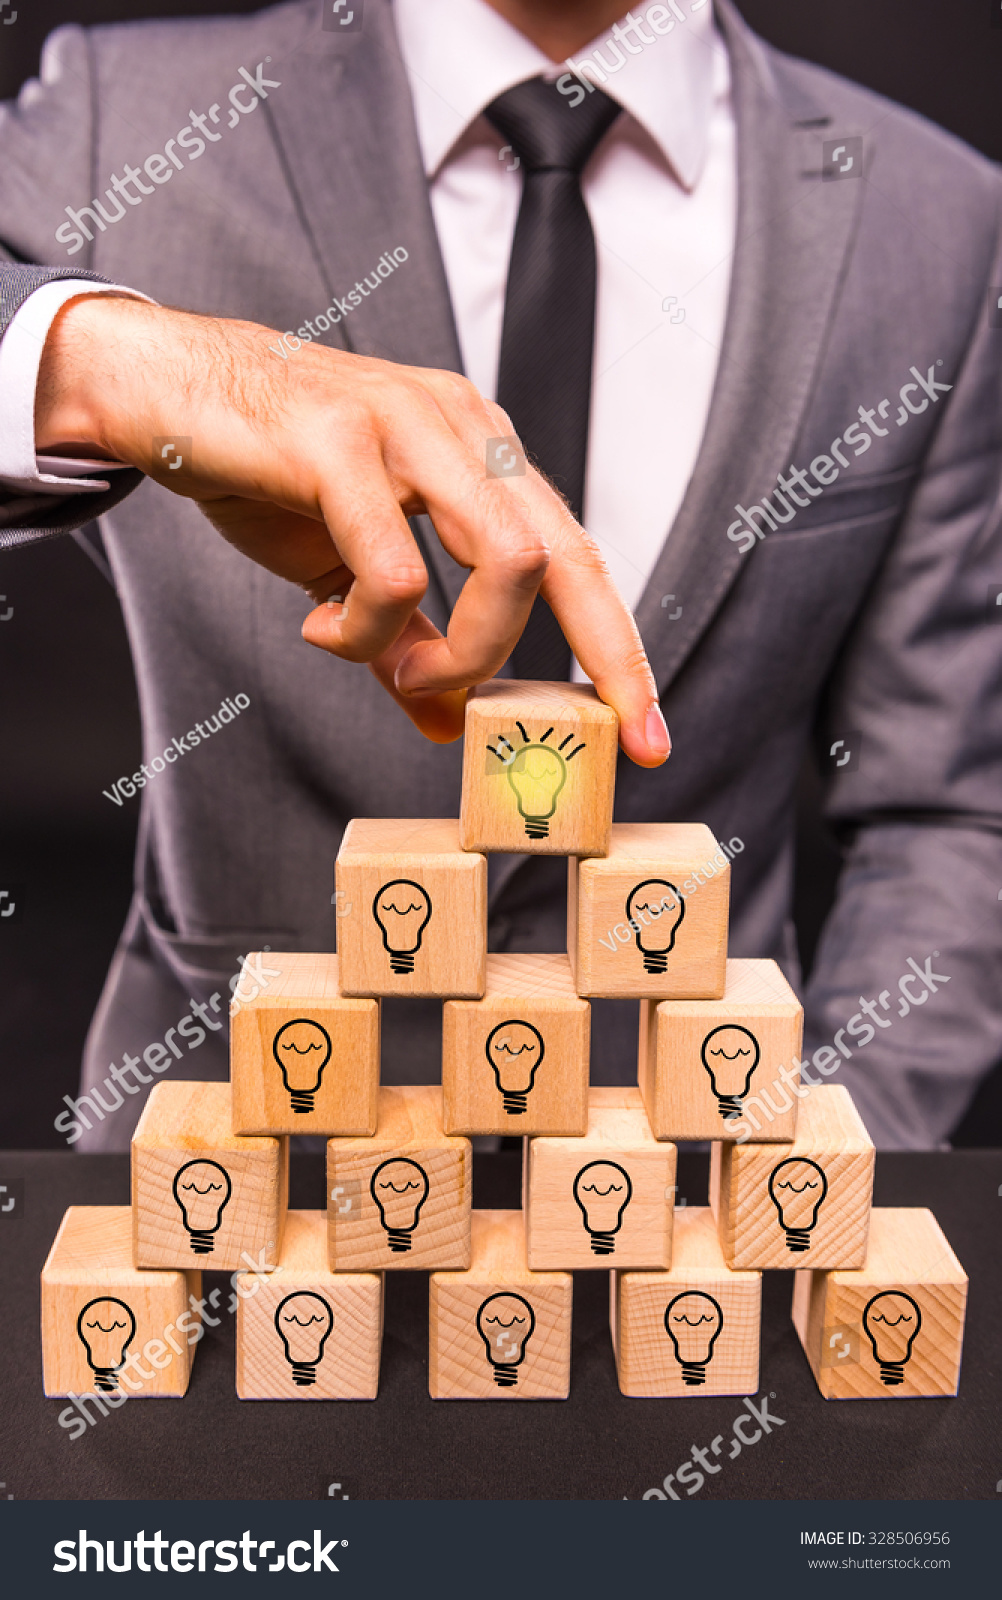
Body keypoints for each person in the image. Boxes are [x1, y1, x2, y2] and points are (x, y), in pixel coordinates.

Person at [1, 0, 999, 1151]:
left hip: (693, 1232)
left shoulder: (940, 224)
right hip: (232, 1197)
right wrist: (92, 359)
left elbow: (952, 809)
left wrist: (812, 1172)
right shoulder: (116, 115)